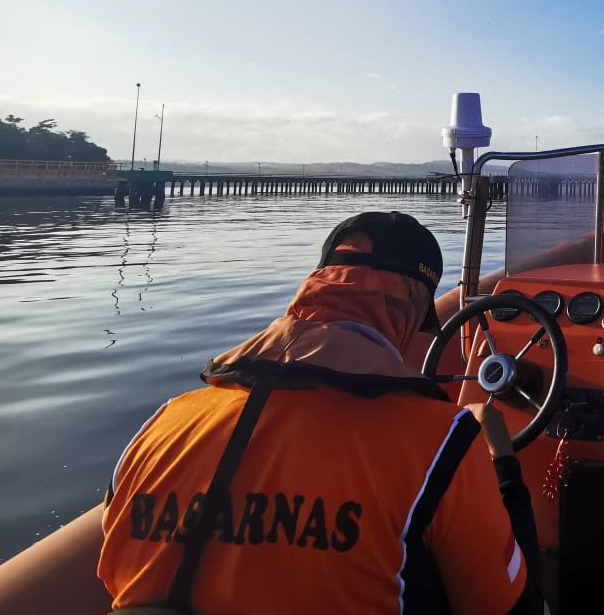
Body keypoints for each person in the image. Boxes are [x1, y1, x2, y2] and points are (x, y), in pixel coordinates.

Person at [96, 211, 543, 615]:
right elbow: (512, 608)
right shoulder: (442, 441)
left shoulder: (164, 422)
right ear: (410, 312)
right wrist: (503, 465)